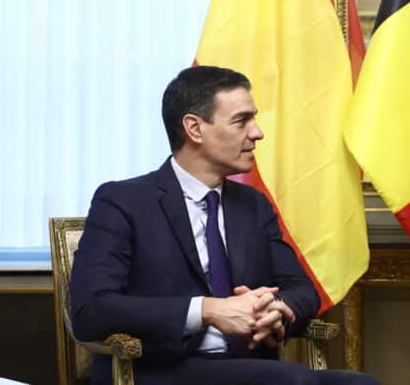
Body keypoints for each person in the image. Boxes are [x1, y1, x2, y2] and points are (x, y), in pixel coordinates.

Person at [70, 66, 378, 385]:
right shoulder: (123, 201)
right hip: (160, 370)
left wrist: (276, 308)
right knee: (293, 381)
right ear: (194, 128)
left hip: (249, 365)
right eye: (241, 120)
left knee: (359, 383)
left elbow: (303, 291)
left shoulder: (253, 205)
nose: (257, 132)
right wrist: (208, 310)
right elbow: (91, 311)